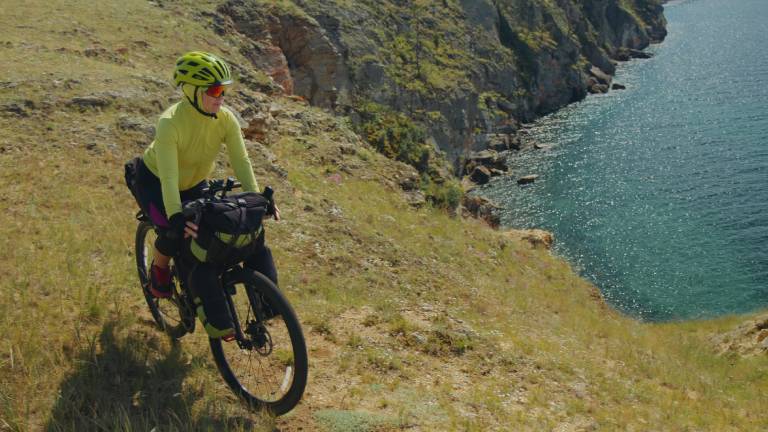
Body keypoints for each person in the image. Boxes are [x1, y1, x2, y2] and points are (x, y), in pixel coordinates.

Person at [131, 51, 279, 339]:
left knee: (209, 231)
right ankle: (159, 274)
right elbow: (170, 177)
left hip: (194, 182)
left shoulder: (225, 119)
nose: (220, 97)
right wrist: (175, 216)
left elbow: (241, 161)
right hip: (155, 180)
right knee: (173, 233)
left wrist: (259, 200)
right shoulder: (170, 122)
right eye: (214, 91)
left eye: (223, 90)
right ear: (192, 91)